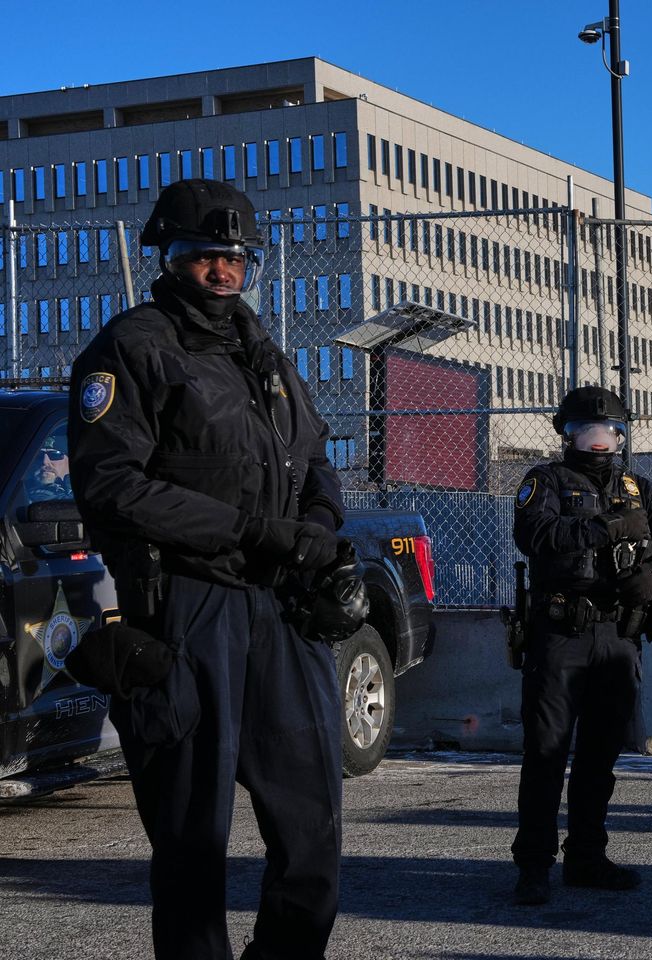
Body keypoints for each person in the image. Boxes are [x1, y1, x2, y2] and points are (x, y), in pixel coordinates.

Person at [68, 179, 346, 960]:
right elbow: (113, 485)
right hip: (188, 609)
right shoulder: (132, 347)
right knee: (192, 840)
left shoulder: (264, 353)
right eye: (203, 256)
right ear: (168, 257)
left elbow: (315, 458)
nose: (223, 271)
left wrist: (320, 529)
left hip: (280, 606)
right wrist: (252, 531)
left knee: (312, 828)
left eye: (236, 258)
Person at [510, 385, 652, 906]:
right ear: (566, 435)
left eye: (608, 432)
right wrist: (605, 528)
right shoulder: (545, 480)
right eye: (586, 432)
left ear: (621, 437)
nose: (598, 441)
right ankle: (533, 866)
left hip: (619, 636)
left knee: (599, 756)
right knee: (545, 753)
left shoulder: (640, 488)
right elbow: (535, 536)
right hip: (561, 635)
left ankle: (587, 858)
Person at [25, 433, 71, 503]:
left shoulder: (83, 490)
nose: (45, 462)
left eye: (54, 455)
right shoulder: (18, 493)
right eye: (38, 456)